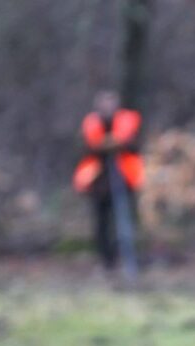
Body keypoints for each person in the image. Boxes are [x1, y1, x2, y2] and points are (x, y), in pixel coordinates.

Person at [72, 90, 144, 269]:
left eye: (111, 103)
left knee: (124, 222)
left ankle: (126, 257)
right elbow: (86, 148)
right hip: (98, 181)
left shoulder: (127, 121)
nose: (108, 107)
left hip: (124, 180)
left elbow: (135, 146)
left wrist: (118, 144)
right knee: (101, 224)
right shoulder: (91, 123)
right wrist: (104, 146)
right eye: (104, 103)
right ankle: (107, 261)